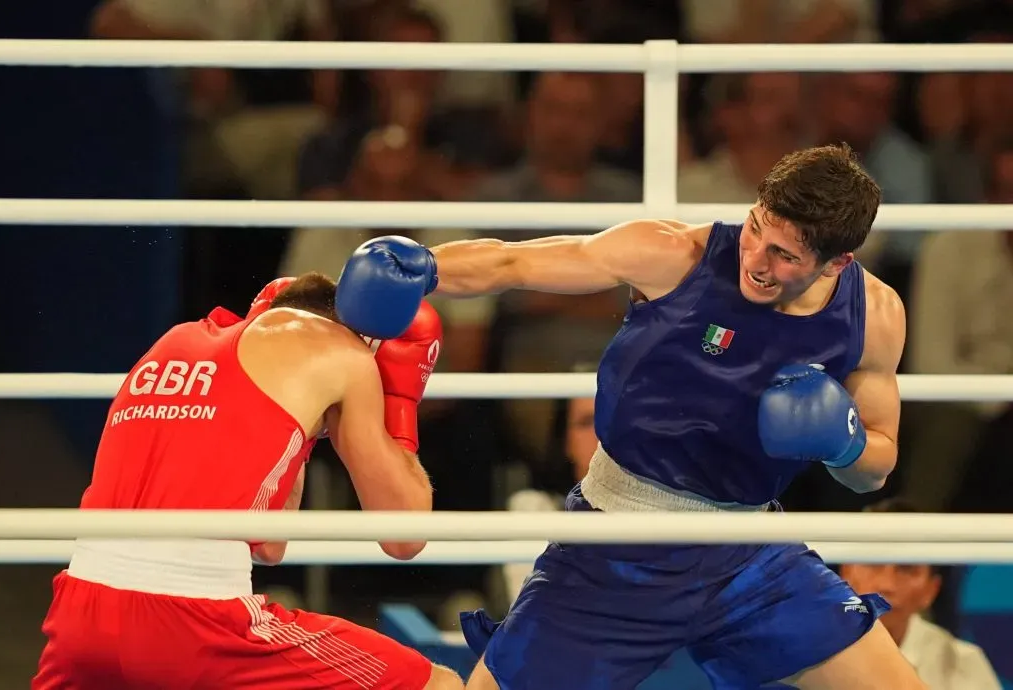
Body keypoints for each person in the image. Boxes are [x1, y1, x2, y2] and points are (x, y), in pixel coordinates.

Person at [341, 144, 926, 689]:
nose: (755, 259)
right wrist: (425, 267)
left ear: (837, 262)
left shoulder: (873, 315)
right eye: (755, 228)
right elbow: (514, 263)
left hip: (751, 553)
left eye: (785, 254)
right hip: (616, 543)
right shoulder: (675, 255)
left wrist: (843, 442)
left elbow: (874, 469)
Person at [33, 269, 463, 689]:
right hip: (197, 621)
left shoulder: (176, 341)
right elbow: (404, 537)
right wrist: (399, 408)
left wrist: (302, 429)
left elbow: (269, 545)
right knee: (436, 683)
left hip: (79, 612)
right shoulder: (342, 350)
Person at [840, 498, 1002, 690]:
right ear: (846, 572)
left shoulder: (962, 664)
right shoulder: (812, 647)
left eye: (906, 569)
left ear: (931, 590)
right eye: (873, 563)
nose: (887, 584)